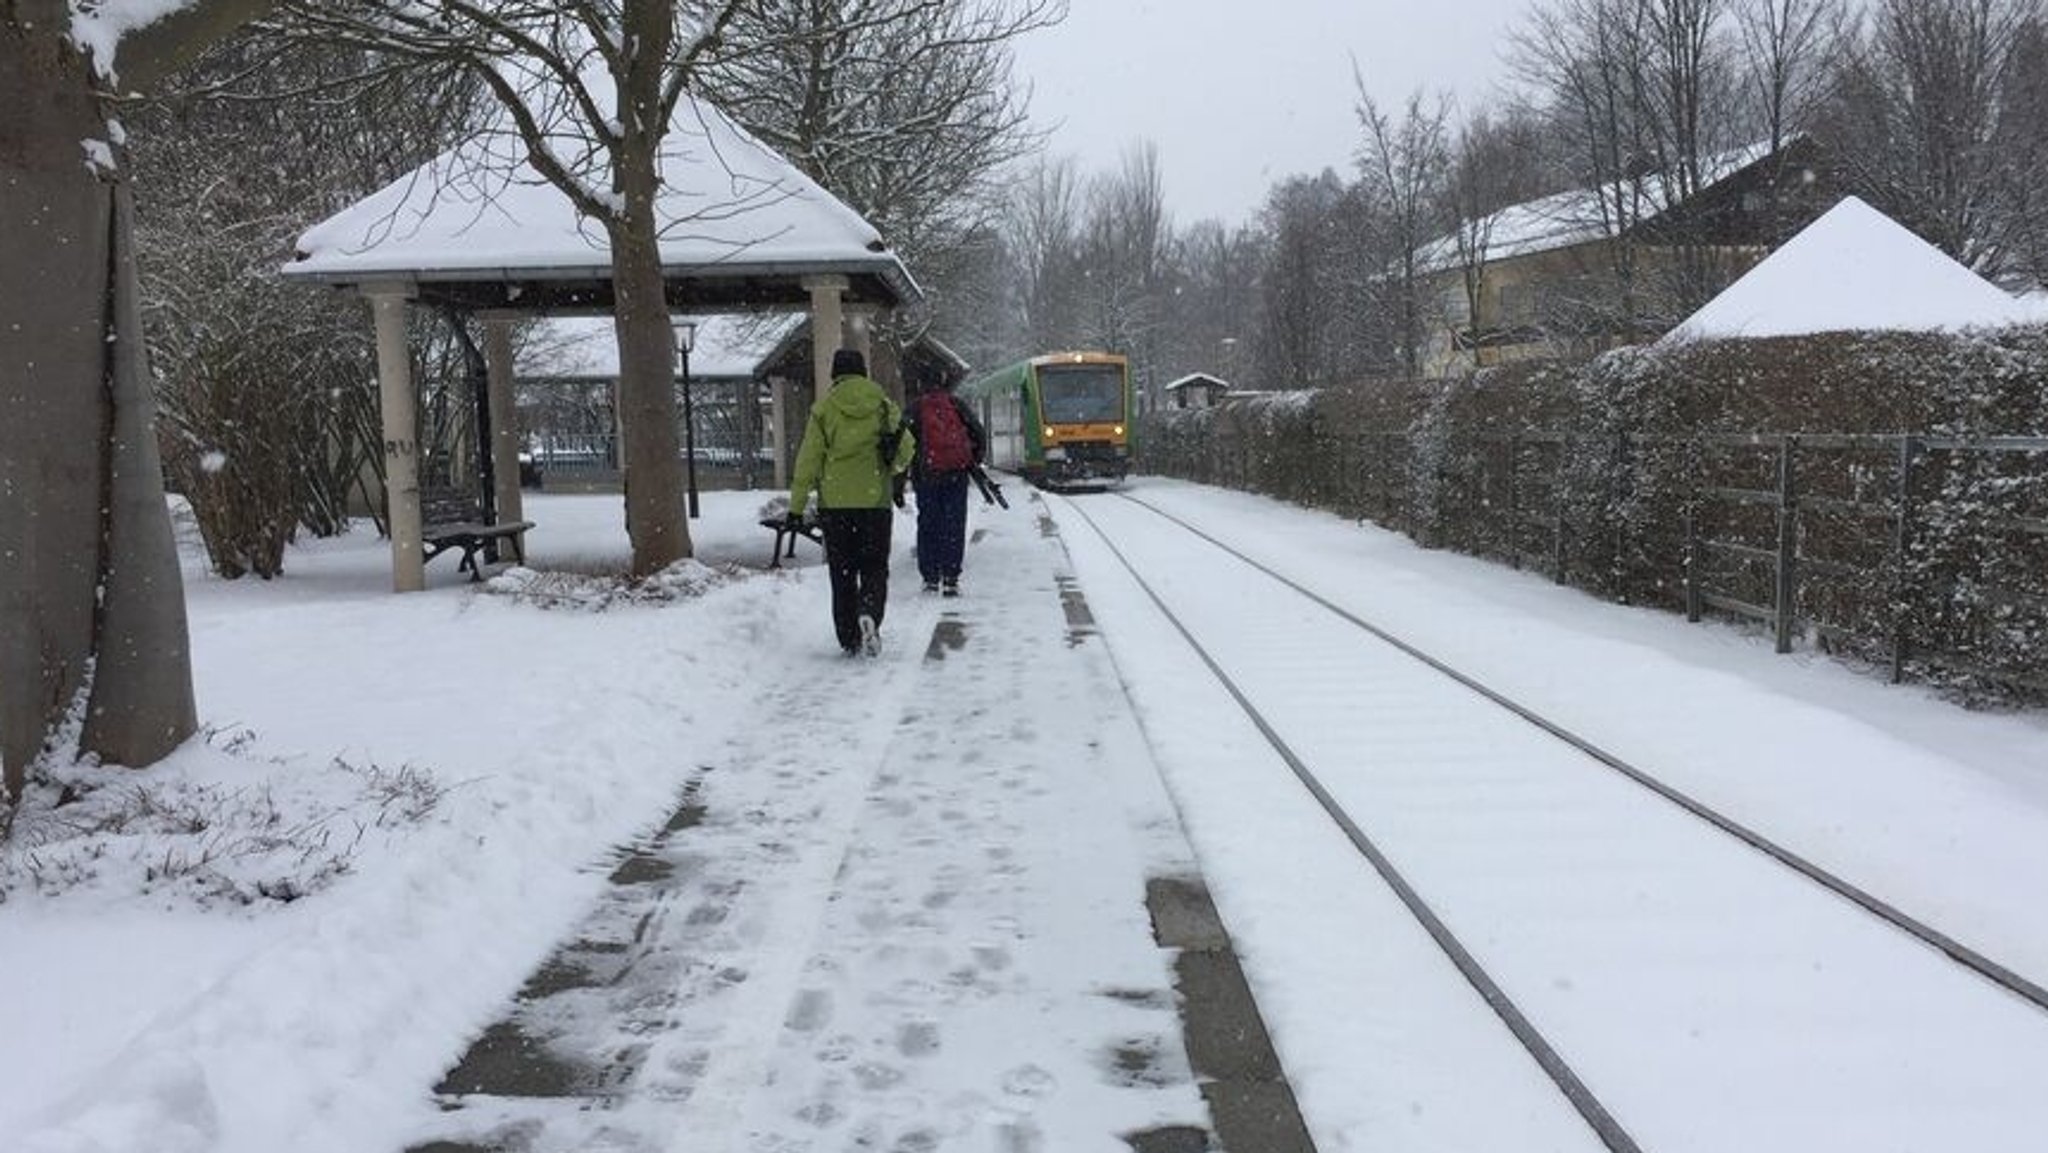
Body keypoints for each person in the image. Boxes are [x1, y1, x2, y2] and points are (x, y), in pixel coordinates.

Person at [788, 348, 914, 656]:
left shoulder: (824, 409)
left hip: (836, 504)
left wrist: (796, 506)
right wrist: (891, 468)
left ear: (834, 374)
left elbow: (808, 461)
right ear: (863, 373)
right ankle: (869, 611)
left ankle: (848, 638)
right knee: (873, 566)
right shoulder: (884, 406)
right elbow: (907, 448)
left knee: (842, 571)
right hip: (875, 504)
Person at [903, 375, 988, 597]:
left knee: (928, 523)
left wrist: (904, 473)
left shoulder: (915, 408)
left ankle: (930, 577)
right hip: (955, 474)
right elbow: (978, 432)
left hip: (926, 475)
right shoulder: (956, 404)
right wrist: (972, 460)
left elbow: (902, 441)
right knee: (954, 524)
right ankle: (951, 578)